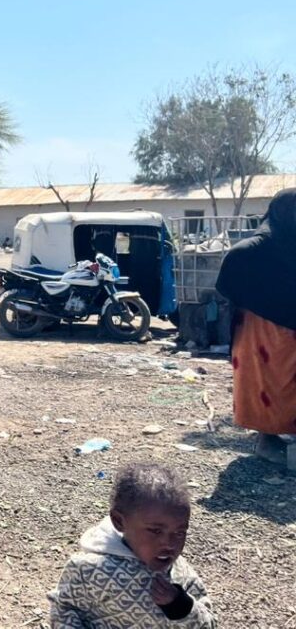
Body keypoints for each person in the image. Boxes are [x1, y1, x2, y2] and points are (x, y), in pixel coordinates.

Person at [49, 463, 216, 628]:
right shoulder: (89, 569)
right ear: (119, 521)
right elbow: (64, 609)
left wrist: (180, 605)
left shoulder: (182, 572)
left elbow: (209, 624)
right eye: (156, 531)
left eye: (179, 533)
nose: (169, 543)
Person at [216, 188, 296, 469]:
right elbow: (227, 281)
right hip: (262, 333)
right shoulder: (252, 250)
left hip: (276, 332)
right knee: (269, 385)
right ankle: (267, 440)